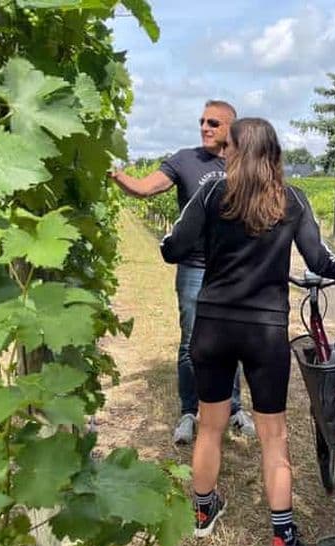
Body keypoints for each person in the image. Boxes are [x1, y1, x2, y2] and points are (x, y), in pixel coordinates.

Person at [160, 117, 335, 546]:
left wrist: (196, 241)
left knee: (210, 425)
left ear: (238, 150)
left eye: (227, 144)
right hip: (265, 332)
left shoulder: (210, 192)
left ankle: (203, 511)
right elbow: (322, 260)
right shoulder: (292, 199)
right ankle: (284, 541)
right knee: (275, 436)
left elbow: (172, 246)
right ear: (274, 153)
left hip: (212, 326)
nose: (221, 150)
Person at [110, 100, 254, 444]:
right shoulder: (185, 160)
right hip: (194, 267)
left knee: (230, 341)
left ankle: (233, 407)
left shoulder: (243, 164)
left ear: (230, 129)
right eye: (202, 121)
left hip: (232, 268)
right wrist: (116, 175)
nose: (205, 127)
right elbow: (146, 188)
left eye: (214, 123)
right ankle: (189, 411)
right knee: (192, 341)